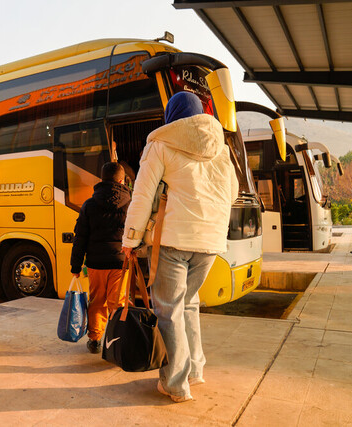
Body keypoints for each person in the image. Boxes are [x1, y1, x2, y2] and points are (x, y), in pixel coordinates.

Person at [122, 91, 238, 403]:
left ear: (171, 115)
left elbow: (142, 196)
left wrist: (130, 239)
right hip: (211, 241)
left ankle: (175, 383)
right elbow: (231, 194)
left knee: (169, 309)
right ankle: (195, 370)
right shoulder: (221, 148)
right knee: (188, 304)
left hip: (173, 240)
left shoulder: (160, 143)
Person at [70, 162, 131, 354]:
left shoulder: (89, 204)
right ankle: (118, 340)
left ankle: (95, 340)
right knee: (118, 302)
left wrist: (76, 265)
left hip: (96, 263)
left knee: (97, 301)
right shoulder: (131, 203)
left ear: (101, 180)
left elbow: (80, 237)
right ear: (122, 180)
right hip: (121, 262)